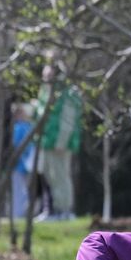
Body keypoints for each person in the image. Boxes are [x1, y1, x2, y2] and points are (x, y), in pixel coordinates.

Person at [33, 63, 83, 220]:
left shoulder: (67, 92)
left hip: (59, 143)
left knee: (61, 176)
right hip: (46, 141)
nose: (45, 78)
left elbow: (68, 119)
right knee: (48, 176)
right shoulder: (45, 91)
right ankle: (51, 210)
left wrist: (62, 141)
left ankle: (64, 210)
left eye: (48, 75)